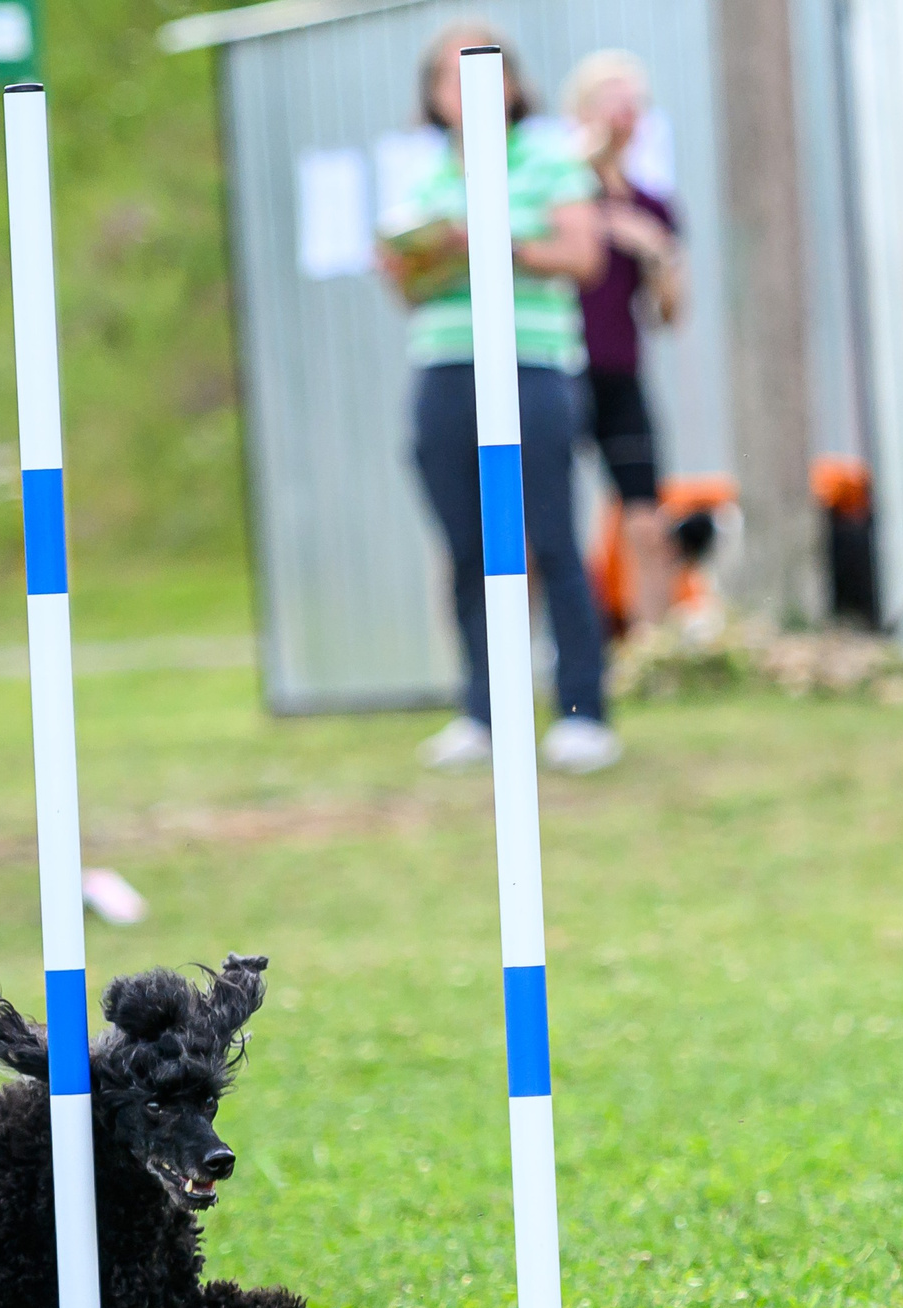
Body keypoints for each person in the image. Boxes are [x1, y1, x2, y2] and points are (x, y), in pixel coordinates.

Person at [379, 23, 619, 774]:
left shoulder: (549, 156)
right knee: (465, 549)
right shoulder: (422, 175)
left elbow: (584, 257)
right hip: (446, 365)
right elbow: (404, 289)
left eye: (472, 74)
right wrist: (414, 258)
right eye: (443, 79)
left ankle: (584, 710)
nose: (459, 91)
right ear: (430, 96)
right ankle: (483, 710)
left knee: (550, 537)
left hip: (532, 364)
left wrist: (488, 241)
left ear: (508, 83)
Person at [564, 50, 686, 635]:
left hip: (619, 370)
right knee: (543, 523)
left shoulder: (653, 206)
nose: (623, 115)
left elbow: (670, 313)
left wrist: (657, 254)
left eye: (632, 103)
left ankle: (651, 652)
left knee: (645, 521)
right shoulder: (559, 194)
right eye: (610, 100)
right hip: (557, 369)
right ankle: (533, 658)